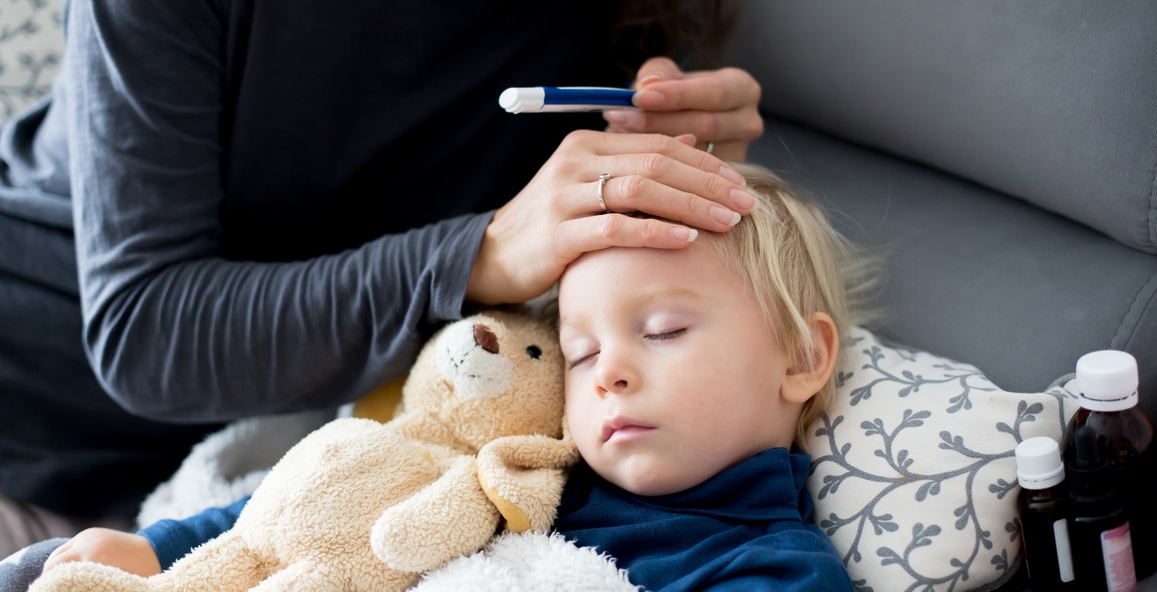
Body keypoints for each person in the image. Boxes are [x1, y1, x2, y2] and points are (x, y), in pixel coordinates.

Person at [0, 0, 765, 555]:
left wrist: (694, 186)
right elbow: (146, 334)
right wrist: (475, 255)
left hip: (290, 484)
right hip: (34, 420)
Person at [15, 163, 872, 590]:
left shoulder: (771, 567)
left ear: (801, 357)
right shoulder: (527, 466)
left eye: (665, 330)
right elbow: (326, 505)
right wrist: (160, 547)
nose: (607, 372)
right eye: (578, 352)